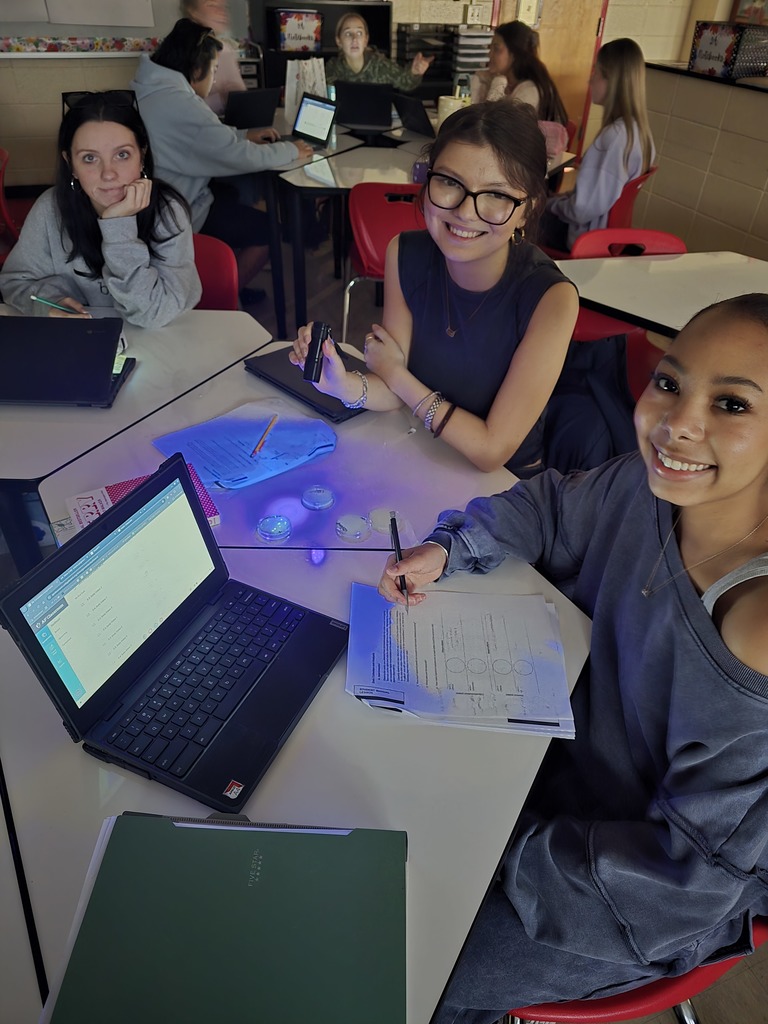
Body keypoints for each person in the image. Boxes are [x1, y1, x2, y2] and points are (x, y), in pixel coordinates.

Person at [379, 292, 768, 1024]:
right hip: (549, 772)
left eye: (733, 406)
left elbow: (690, 878)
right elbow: (551, 505)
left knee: (402, 961)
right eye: (670, 383)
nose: (678, 423)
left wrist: (493, 843)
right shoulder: (652, 486)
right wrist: (450, 547)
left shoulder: (756, 622)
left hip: (632, 899)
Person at [291, 102, 578, 477]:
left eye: (496, 195)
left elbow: (490, 450)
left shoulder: (551, 299)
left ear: (527, 209)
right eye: (449, 182)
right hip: (420, 450)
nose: (465, 212)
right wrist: (342, 384)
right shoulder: (405, 253)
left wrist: (396, 375)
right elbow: (392, 389)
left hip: (503, 490)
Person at [131, 18, 313, 306]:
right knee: (268, 230)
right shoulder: (181, 105)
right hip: (177, 213)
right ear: (195, 70)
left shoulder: (154, 89)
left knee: (235, 194)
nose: (214, 79)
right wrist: (292, 151)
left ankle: (225, 278)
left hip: (163, 200)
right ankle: (221, 295)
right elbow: (237, 157)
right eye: (213, 70)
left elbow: (203, 138)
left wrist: (244, 134)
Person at [0, 90, 200, 327]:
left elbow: (153, 314)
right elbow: (15, 282)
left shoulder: (167, 211)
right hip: (78, 340)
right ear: (70, 164)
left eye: (122, 155)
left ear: (142, 156)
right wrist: (48, 302)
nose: (108, 174)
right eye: (89, 158)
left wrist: (118, 228)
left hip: (159, 340)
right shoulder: (50, 208)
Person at [540, 37, 655, 251]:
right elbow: (597, 195)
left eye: (596, 72)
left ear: (612, 81)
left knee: (520, 217)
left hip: (584, 239)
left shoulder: (613, 139)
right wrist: (562, 199)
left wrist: (549, 204)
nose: (590, 80)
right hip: (607, 236)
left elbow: (582, 209)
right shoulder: (640, 132)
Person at [470, 20, 567, 125]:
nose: (489, 55)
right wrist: (478, 80)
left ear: (514, 54)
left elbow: (492, 127)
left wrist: (498, 82)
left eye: (496, 49)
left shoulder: (529, 91)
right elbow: (474, 117)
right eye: (490, 48)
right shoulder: (510, 83)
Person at [325, 12, 433, 91]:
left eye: (359, 33)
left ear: (366, 40)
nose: (354, 39)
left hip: (375, 121)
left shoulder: (380, 65)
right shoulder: (331, 69)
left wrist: (414, 72)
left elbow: (405, 82)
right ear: (339, 41)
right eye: (348, 34)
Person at [181, 0, 245, 117]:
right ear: (192, 11)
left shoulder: (226, 49)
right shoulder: (180, 51)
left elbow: (240, 96)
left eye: (224, 7)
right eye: (212, 5)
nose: (222, 12)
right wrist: (220, 98)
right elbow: (182, 111)